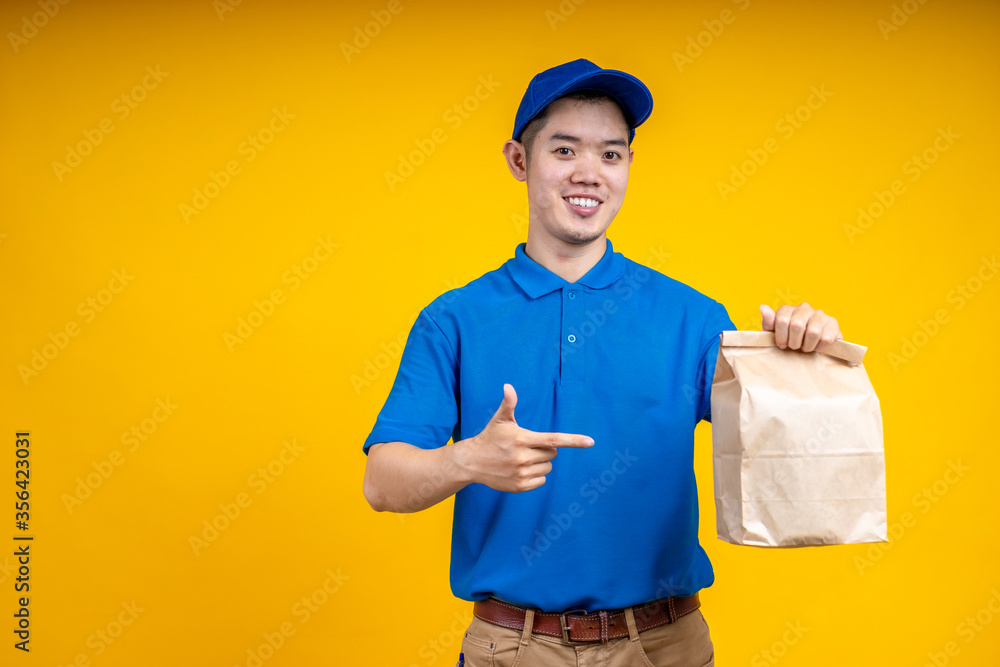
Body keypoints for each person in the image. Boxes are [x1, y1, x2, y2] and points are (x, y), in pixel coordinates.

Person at [362, 58, 842, 667]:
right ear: (518, 161)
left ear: (628, 168)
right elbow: (382, 483)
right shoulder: (453, 319)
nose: (589, 173)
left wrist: (809, 360)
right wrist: (468, 459)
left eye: (611, 155)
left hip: (665, 645)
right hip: (512, 649)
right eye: (565, 150)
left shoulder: (694, 318)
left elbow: (790, 463)